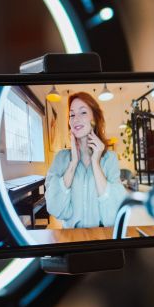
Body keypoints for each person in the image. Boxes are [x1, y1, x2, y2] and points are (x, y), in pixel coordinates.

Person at [45, 92, 126, 228]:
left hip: (101, 236)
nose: (76, 119)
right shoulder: (61, 158)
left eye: (83, 112)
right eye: (72, 115)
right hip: (71, 238)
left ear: (95, 119)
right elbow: (54, 208)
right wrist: (73, 164)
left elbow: (113, 215)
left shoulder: (110, 158)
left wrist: (96, 162)